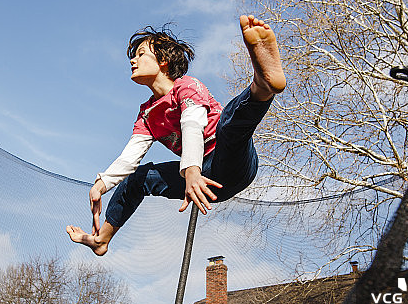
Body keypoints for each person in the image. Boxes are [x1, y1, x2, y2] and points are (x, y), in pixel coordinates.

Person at [67, 15, 286, 255]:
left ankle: (262, 86)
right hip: (203, 179)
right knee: (139, 177)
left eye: (141, 54)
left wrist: (191, 172)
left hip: (229, 159)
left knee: (228, 127)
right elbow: (129, 158)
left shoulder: (186, 86)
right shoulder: (147, 114)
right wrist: (100, 185)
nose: (133, 60)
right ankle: (102, 240)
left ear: (162, 60)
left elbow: (192, 123)